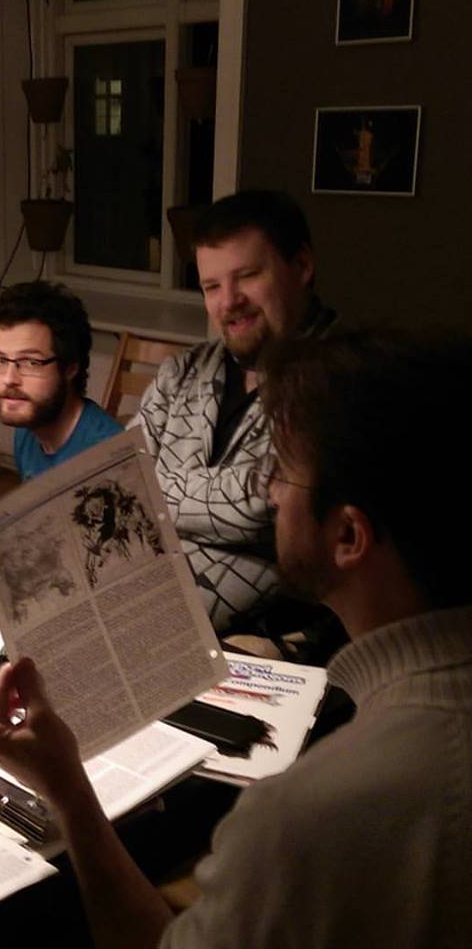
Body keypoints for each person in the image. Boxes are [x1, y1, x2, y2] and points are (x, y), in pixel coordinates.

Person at [0, 329, 472, 949]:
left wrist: (69, 795)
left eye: (282, 472)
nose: (268, 491)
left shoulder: (299, 815)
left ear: (348, 537)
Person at [129, 190, 337, 634]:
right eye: (211, 287)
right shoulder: (180, 373)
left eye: (247, 276)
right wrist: (242, 494)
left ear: (302, 266)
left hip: (260, 646)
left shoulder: (344, 377)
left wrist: (153, 490)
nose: (228, 302)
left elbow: (270, 507)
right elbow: (119, 485)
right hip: (134, 608)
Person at [0, 281, 121, 481]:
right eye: (1, 361)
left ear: (70, 368)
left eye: (31, 362)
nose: (9, 379)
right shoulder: (26, 430)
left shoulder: (108, 457)